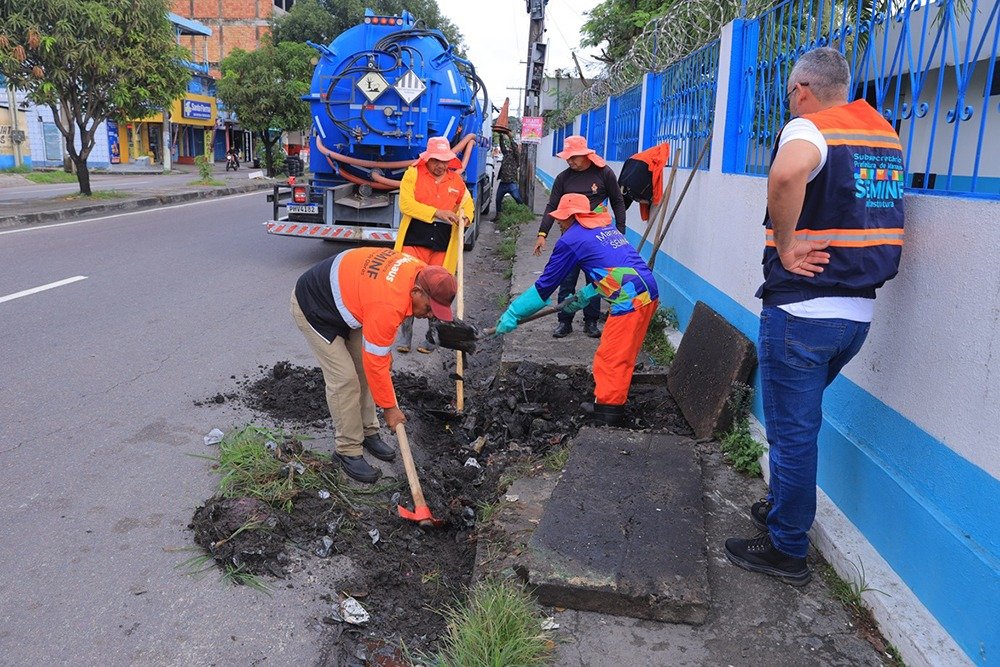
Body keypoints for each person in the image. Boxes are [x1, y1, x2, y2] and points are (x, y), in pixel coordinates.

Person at [724, 47, 905, 586]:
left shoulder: (810, 129)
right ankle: (782, 507)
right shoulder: (881, 136)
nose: (790, 104)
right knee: (796, 423)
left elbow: (786, 178)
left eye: (789, 96)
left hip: (803, 313)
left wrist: (784, 247)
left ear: (802, 90)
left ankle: (786, 549)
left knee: (792, 432)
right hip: (856, 317)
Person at [291, 247, 458, 483]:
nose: (431, 316)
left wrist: (382, 362)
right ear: (416, 291)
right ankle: (347, 450)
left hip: (351, 300)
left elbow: (376, 358)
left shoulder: (419, 272)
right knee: (345, 379)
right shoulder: (389, 303)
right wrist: (390, 408)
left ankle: (368, 431)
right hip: (315, 305)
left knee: (366, 367)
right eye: (430, 308)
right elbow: (376, 361)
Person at [497, 193, 658, 425]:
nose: (559, 223)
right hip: (647, 292)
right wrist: (585, 295)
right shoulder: (602, 228)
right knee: (623, 354)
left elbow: (544, 287)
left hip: (629, 299)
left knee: (611, 357)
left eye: (562, 219)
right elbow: (614, 267)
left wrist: (514, 312)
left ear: (573, 217)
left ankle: (608, 414)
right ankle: (612, 402)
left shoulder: (572, 239)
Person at [533, 135, 627, 339]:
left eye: (573, 157)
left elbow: (618, 201)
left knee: (594, 281)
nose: (570, 161)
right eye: (568, 158)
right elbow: (552, 205)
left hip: (597, 240)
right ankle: (564, 322)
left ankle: (591, 321)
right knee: (567, 279)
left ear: (585, 155)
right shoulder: (563, 178)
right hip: (572, 238)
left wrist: (620, 230)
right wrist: (543, 233)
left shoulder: (604, 173)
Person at [393, 136, 474, 354]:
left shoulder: (456, 182)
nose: (440, 166)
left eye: (444, 161)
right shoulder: (413, 174)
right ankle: (405, 336)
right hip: (414, 239)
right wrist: (438, 212)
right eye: (436, 161)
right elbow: (406, 205)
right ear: (427, 159)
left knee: (437, 290)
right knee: (409, 287)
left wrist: (465, 219)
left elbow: (467, 206)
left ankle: (431, 337)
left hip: (442, 244)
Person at [492, 130, 523, 220]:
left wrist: (510, 137)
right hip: (503, 183)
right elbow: (502, 147)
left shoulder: (516, 157)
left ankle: (522, 213)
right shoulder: (506, 154)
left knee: (518, 199)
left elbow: (515, 148)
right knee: (498, 200)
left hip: (511, 183)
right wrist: (501, 135)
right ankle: (498, 216)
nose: (510, 148)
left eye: (511, 147)